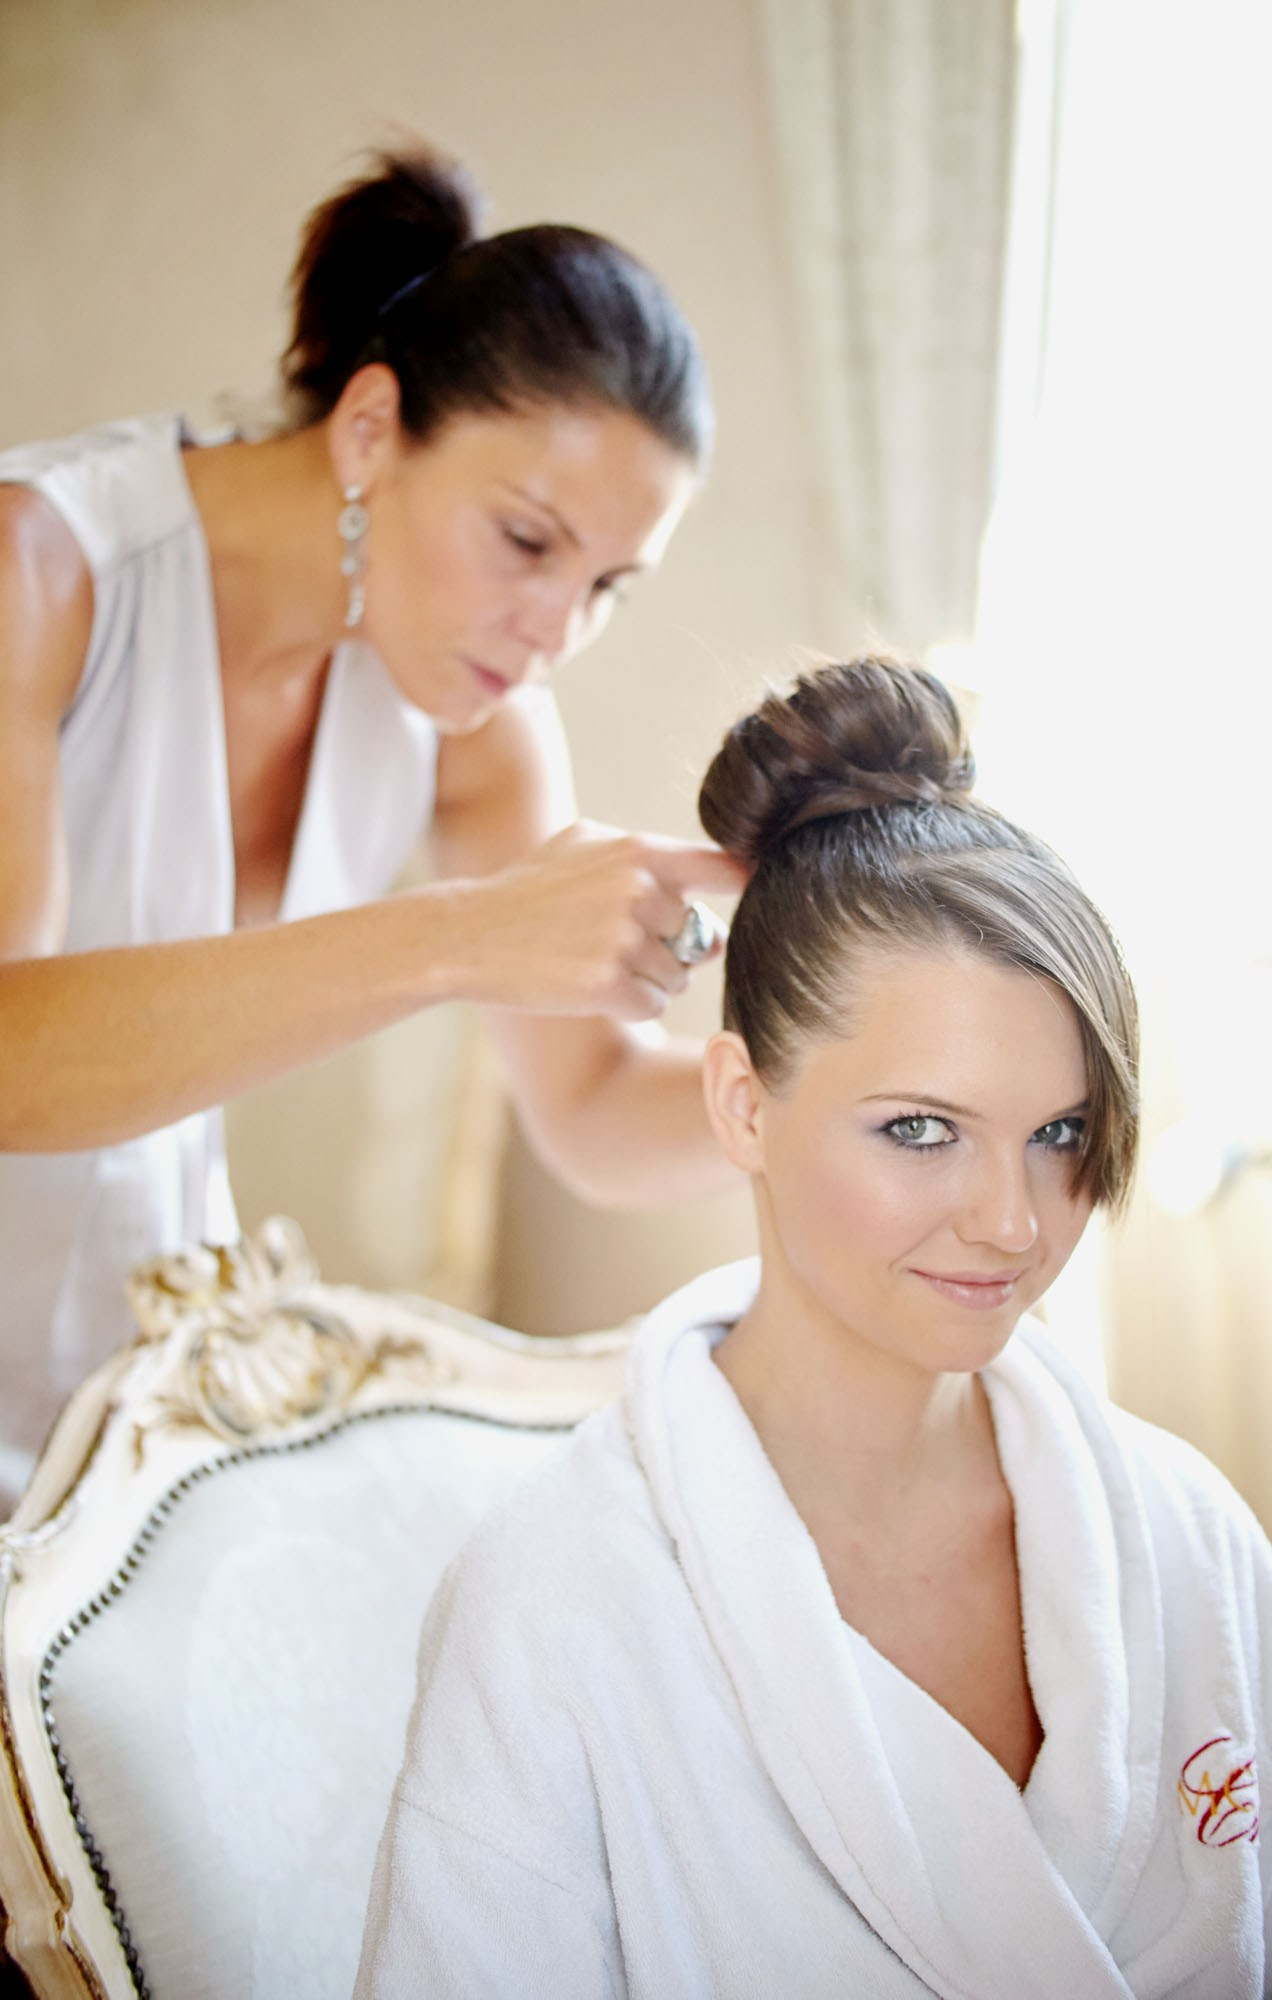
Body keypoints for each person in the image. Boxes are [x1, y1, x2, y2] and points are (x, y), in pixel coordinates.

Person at [355, 658, 1272, 1998]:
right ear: (742, 1107)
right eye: (919, 1131)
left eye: (1056, 1134)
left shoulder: (1183, 1533)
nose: (1011, 1220)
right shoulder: (554, 1609)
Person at [0, 145, 745, 1508]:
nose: (554, 634)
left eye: (607, 589)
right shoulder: (36, 573)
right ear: (366, 429)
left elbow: (586, 1108)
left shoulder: (469, 711)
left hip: (135, 1415)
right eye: (525, 542)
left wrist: (834, 1083)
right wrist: (460, 939)